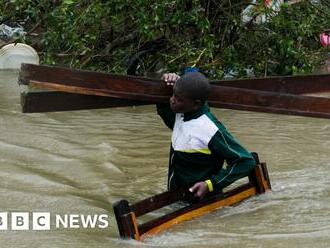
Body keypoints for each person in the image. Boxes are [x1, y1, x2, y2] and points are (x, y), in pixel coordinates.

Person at [157, 71, 256, 200]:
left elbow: (246, 162)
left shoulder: (209, 129)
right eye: (173, 95)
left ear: (196, 103)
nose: (172, 100)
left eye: (179, 99)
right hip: (177, 196)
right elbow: (163, 108)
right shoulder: (181, 116)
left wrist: (210, 185)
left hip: (203, 200)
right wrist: (166, 81)